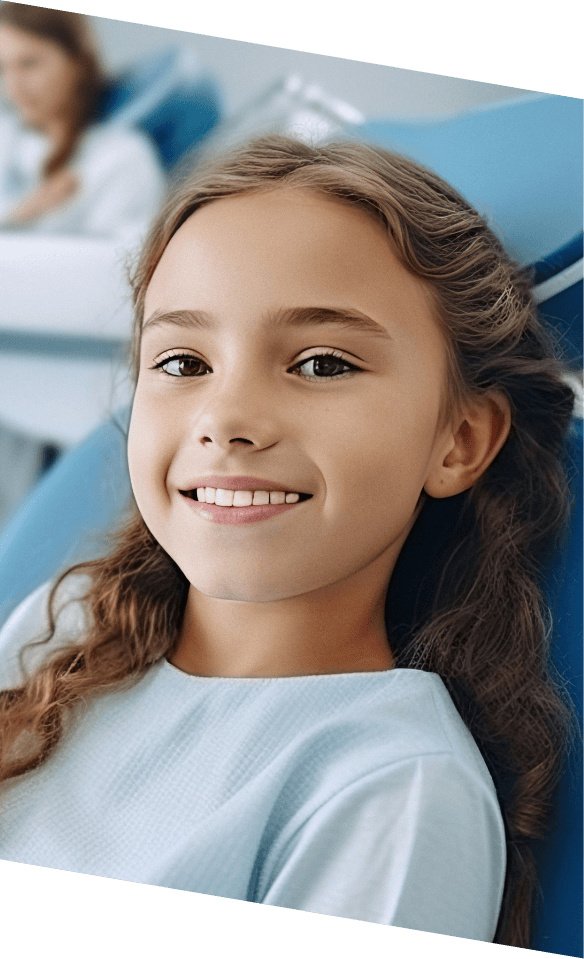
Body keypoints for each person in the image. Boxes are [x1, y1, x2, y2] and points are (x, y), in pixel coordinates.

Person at [0, 134, 581, 946]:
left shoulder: (392, 790)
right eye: (182, 360)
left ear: (459, 440)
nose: (226, 419)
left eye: (320, 364)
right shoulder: (55, 633)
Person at [0, 4, 166, 245]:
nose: (13, 87)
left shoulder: (123, 156)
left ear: (77, 61)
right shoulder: (6, 139)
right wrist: (22, 214)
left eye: (29, 64)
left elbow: (123, 259)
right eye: (3, 68)